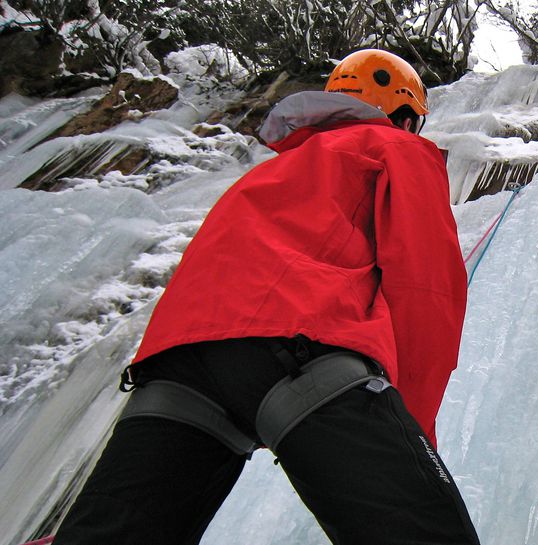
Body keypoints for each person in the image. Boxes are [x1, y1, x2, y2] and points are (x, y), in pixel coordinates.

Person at [53, 49, 480, 545]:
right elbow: (424, 287)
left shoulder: (271, 172)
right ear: (405, 116)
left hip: (174, 366)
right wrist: (412, 429)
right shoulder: (395, 147)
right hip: (298, 351)